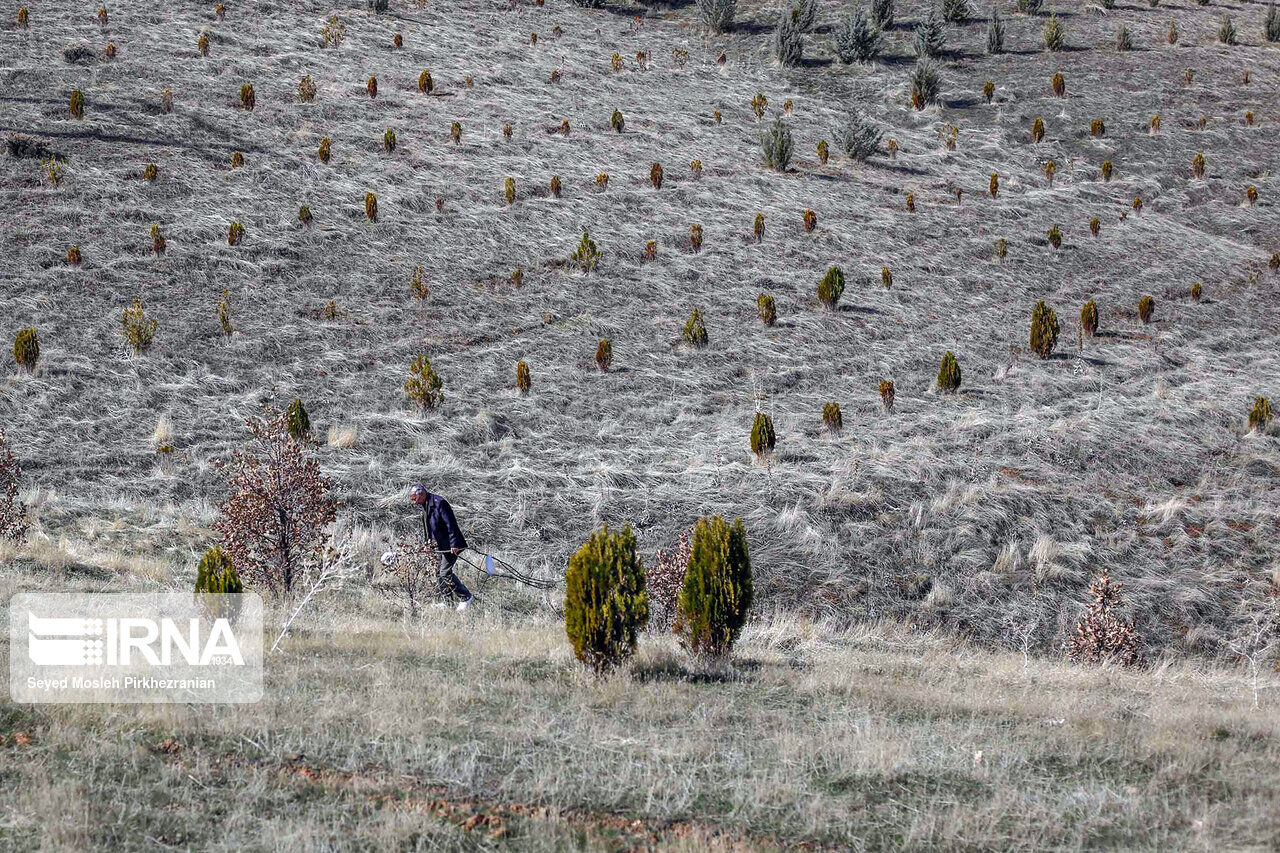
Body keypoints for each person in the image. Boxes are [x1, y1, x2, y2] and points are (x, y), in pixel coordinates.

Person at [409, 484, 474, 611]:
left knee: (444, 572)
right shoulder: (425, 505)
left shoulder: (440, 503)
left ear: (421, 494)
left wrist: (454, 544)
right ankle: (447, 602)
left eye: (414, 498)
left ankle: (466, 597)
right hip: (439, 544)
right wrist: (428, 544)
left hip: (450, 545)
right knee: (438, 572)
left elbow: (451, 524)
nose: (413, 501)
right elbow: (429, 528)